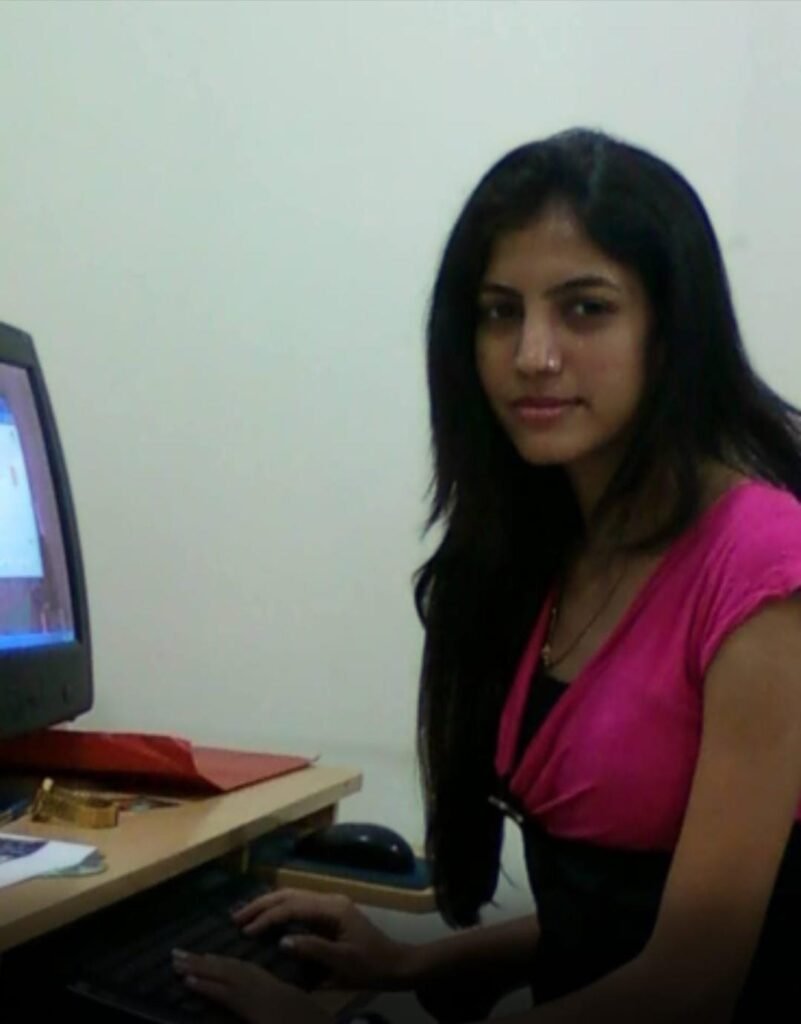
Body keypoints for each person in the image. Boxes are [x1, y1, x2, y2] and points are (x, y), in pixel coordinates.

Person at [172, 129, 801, 1022]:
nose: (532, 354)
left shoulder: (765, 565)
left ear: (670, 331)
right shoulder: (545, 544)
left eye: (584, 309)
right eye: (499, 312)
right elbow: (612, 920)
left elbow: (688, 982)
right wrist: (408, 964)